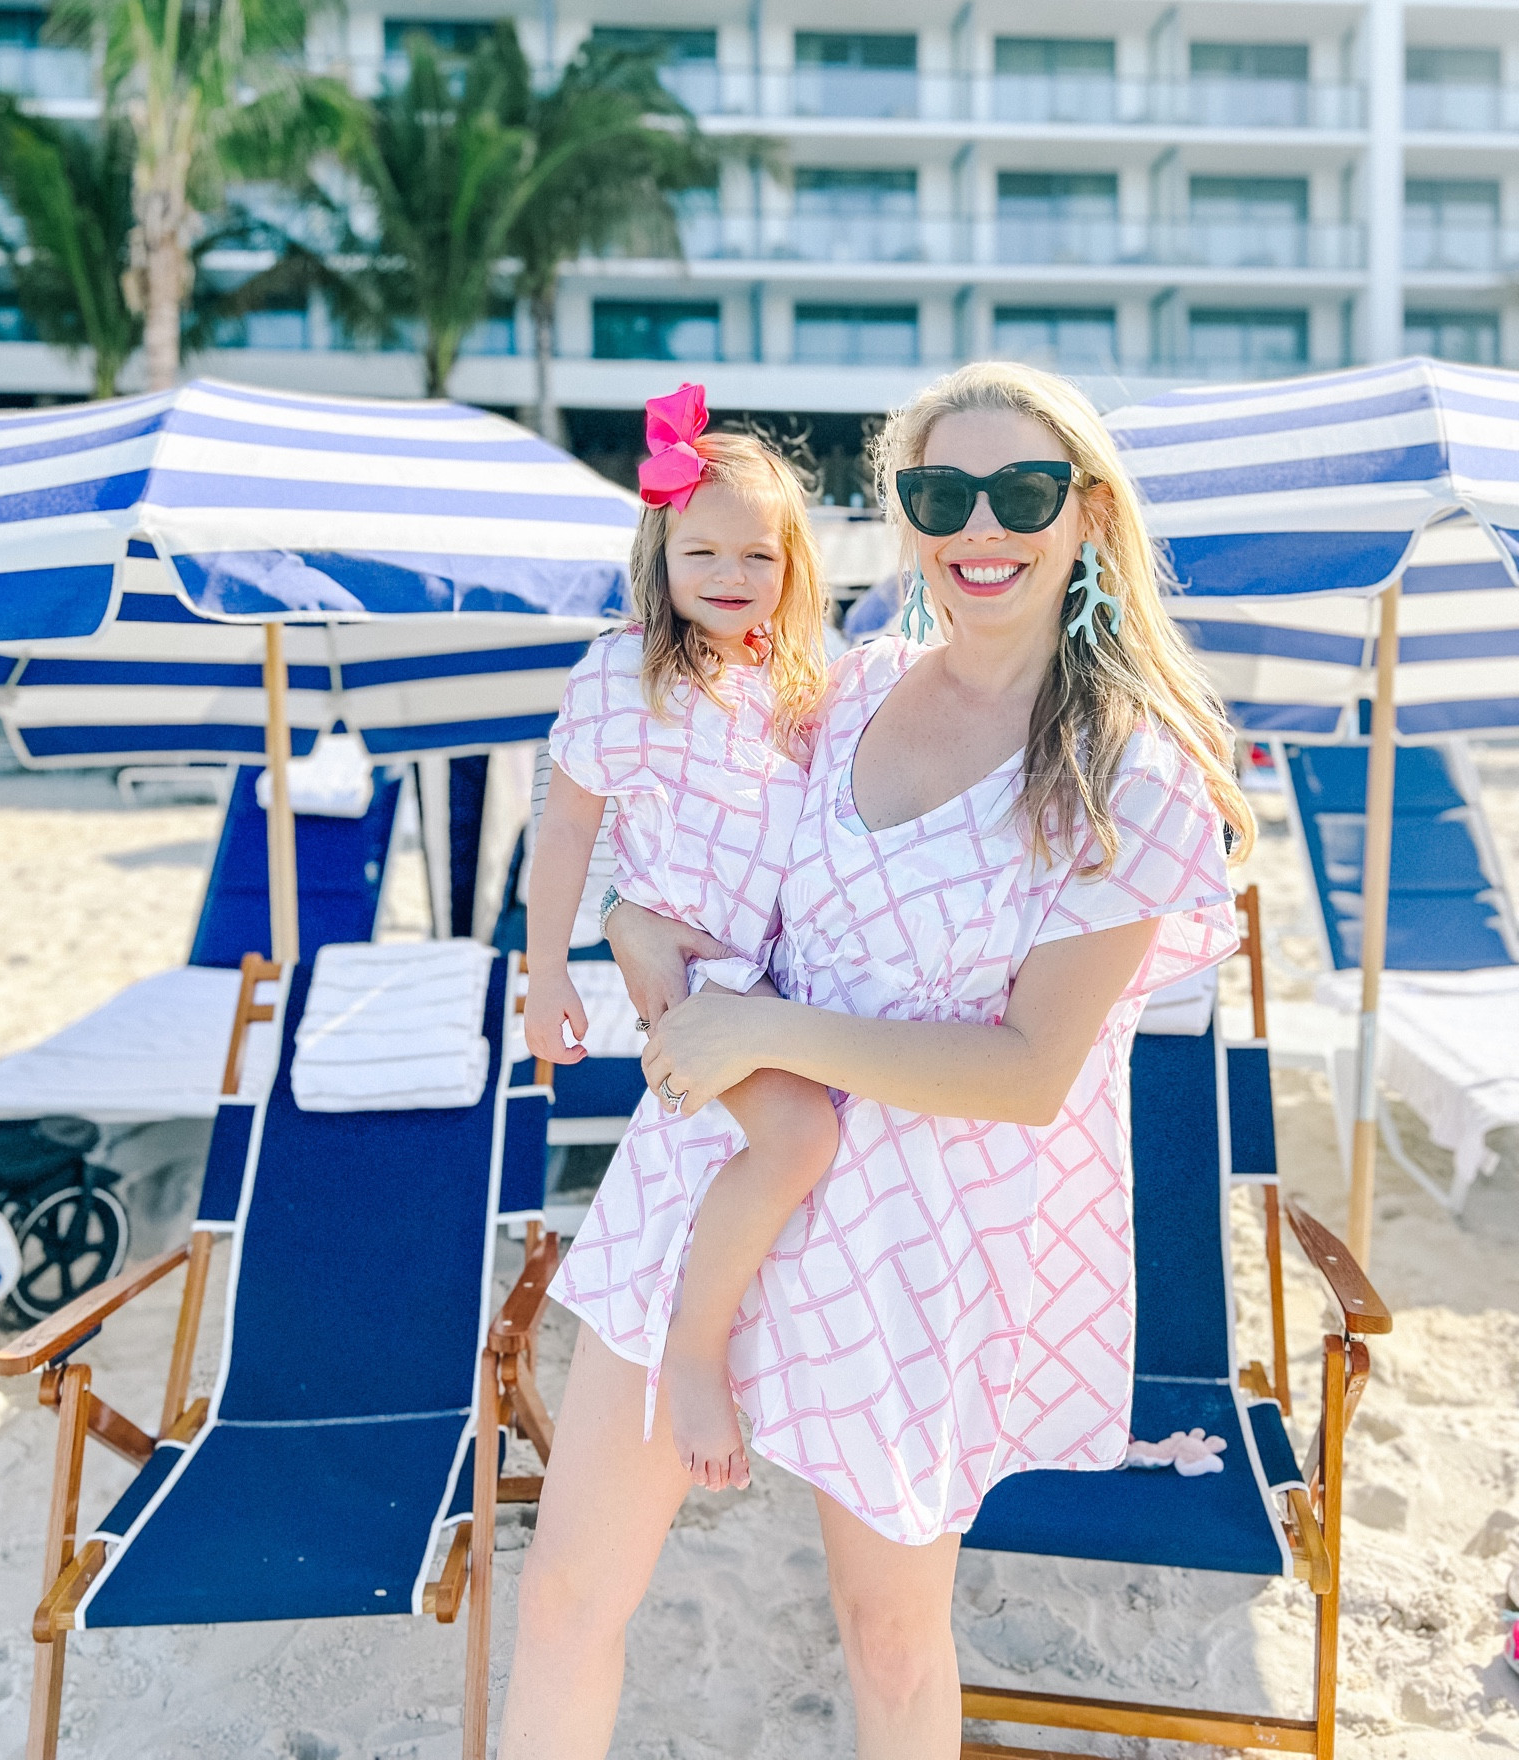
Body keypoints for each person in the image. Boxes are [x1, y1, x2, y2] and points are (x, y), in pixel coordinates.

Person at [501, 363, 1255, 1760]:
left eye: (1021, 489)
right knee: (565, 1596)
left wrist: (770, 1030)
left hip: (914, 1237)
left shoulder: (1126, 777)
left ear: (1087, 513)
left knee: (891, 1640)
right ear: (902, 515)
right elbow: (690, 831)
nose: (982, 524)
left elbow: (1030, 1072)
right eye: (940, 491)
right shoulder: (844, 691)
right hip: (719, 1162)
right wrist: (624, 917)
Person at [524, 381, 836, 1493]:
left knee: (796, 1154)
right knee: (798, 1139)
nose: (730, 573)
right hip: (695, 978)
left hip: (778, 983)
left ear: (793, 566)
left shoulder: (798, 683)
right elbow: (568, 824)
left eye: (758, 554)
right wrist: (548, 971)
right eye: (701, 551)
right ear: (660, 555)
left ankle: (733, 1336)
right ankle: (695, 1353)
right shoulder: (623, 673)